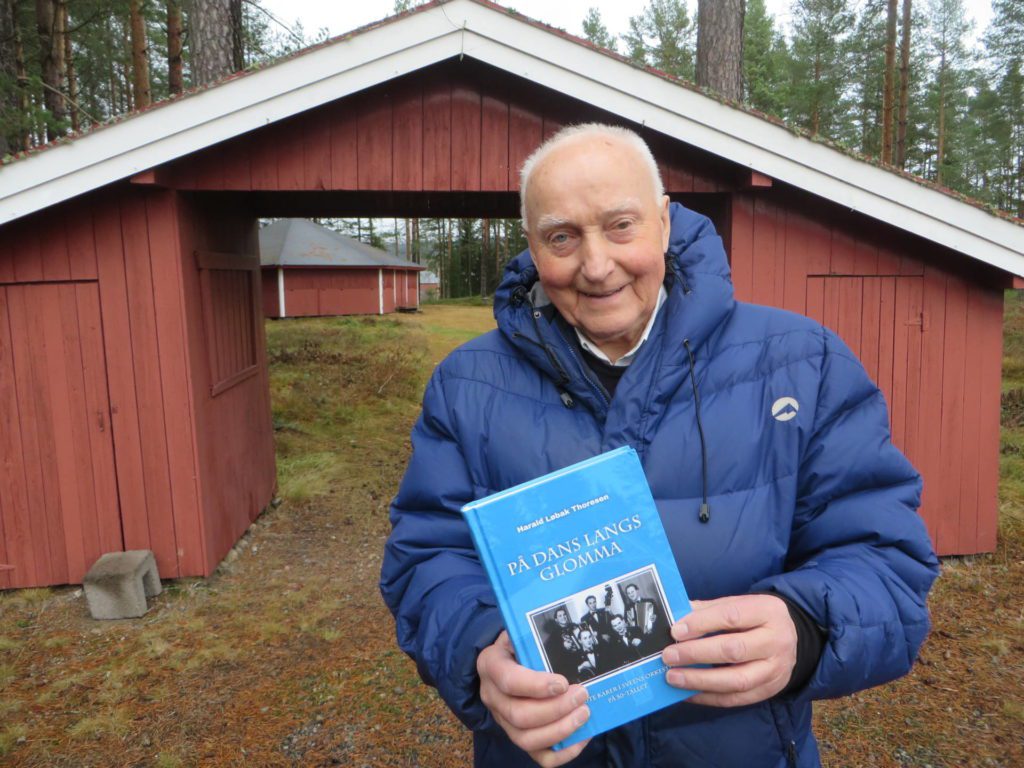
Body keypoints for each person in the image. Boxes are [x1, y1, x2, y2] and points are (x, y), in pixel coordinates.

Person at [380, 123, 939, 767]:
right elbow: (425, 559)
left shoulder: (801, 364)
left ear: (665, 224)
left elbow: (886, 561)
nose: (596, 265)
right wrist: (479, 653)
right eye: (562, 237)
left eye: (621, 226)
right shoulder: (466, 385)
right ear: (533, 248)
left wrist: (806, 631)